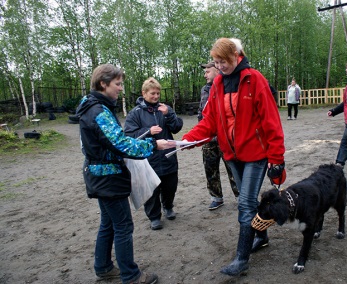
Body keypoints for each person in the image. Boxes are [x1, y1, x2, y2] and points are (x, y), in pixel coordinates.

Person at [181, 38, 286, 276]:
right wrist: (188, 140)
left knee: (246, 203)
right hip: (232, 155)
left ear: (235, 56)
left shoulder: (255, 79)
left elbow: (271, 121)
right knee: (247, 201)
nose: (219, 66)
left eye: (223, 61)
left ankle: (241, 258)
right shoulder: (218, 84)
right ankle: (262, 235)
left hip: (256, 155)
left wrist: (277, 159)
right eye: (216, 62)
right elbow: (209, 121)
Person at [76, 64, 175, 284]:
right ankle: (131, 275)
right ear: (103, 83)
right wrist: (153, 145)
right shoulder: (98, 112)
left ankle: (103, 267)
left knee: (108, 223)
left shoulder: (92, 107)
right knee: (123, 226)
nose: (121, 89)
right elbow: (120, 144)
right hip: (108, 178)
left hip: (100, 175)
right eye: (118, 84)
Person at [124, 77, 183, 230]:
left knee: (170, 186)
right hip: (148, 158)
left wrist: (169, 114)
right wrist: (148, 131)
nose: (156, 96)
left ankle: (168, 206)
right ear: (144, 93)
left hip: (168, 155)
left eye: (158, 93)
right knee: (151, 189)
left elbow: (176, 127)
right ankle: (154, 217)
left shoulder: (164, 108)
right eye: (152, 93)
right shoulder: (135, 113)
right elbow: (129, 135)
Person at [199, 61, 239, 210]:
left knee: (233, 169)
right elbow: (201, 112)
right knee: (210, 169)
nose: (205, 75)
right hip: (208, 140)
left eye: (207, 71)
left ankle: (240, 196)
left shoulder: (226, 86)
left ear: (217, 70)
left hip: (225, 139)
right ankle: (216, 197)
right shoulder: (205, 90)